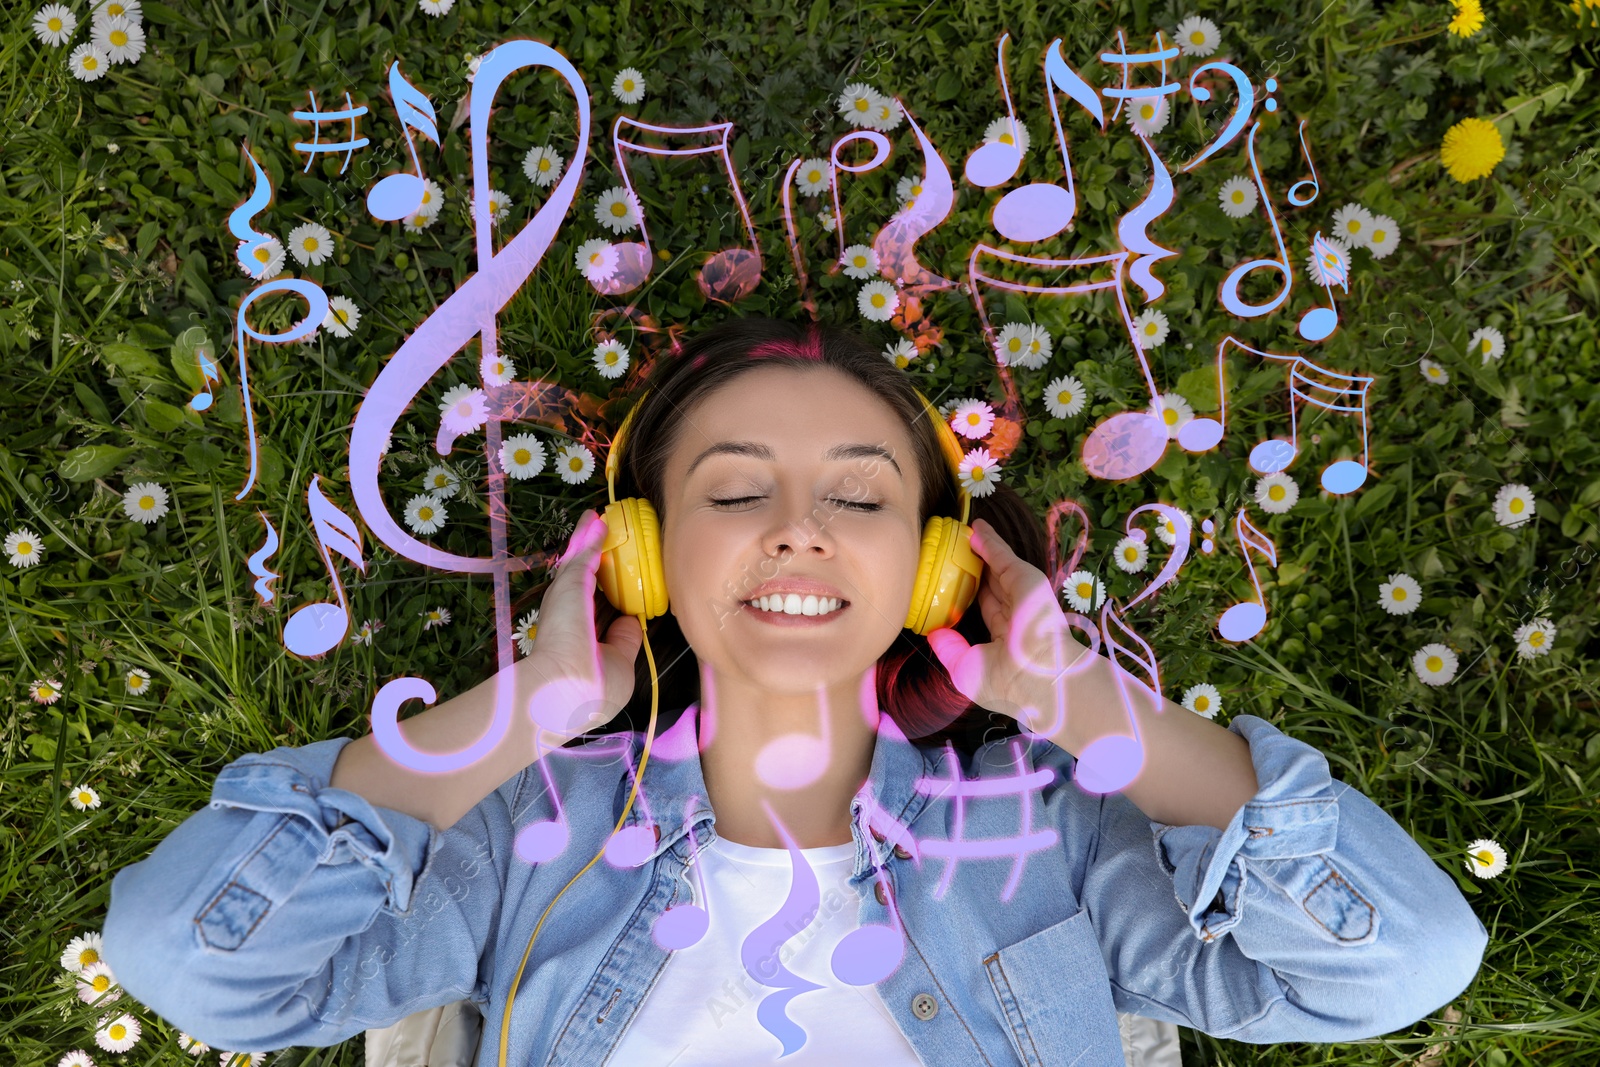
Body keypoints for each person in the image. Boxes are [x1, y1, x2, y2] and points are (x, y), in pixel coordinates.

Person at [102, 317, 1487, 1067]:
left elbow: (1403, 962)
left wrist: (1087, 707)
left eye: (861, 496)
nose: (798, 529)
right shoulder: (524, 837)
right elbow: (192, 964)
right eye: (734, 488)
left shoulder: (1051, 839)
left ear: (938, 568)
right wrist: (528, 707)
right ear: (639, 553)